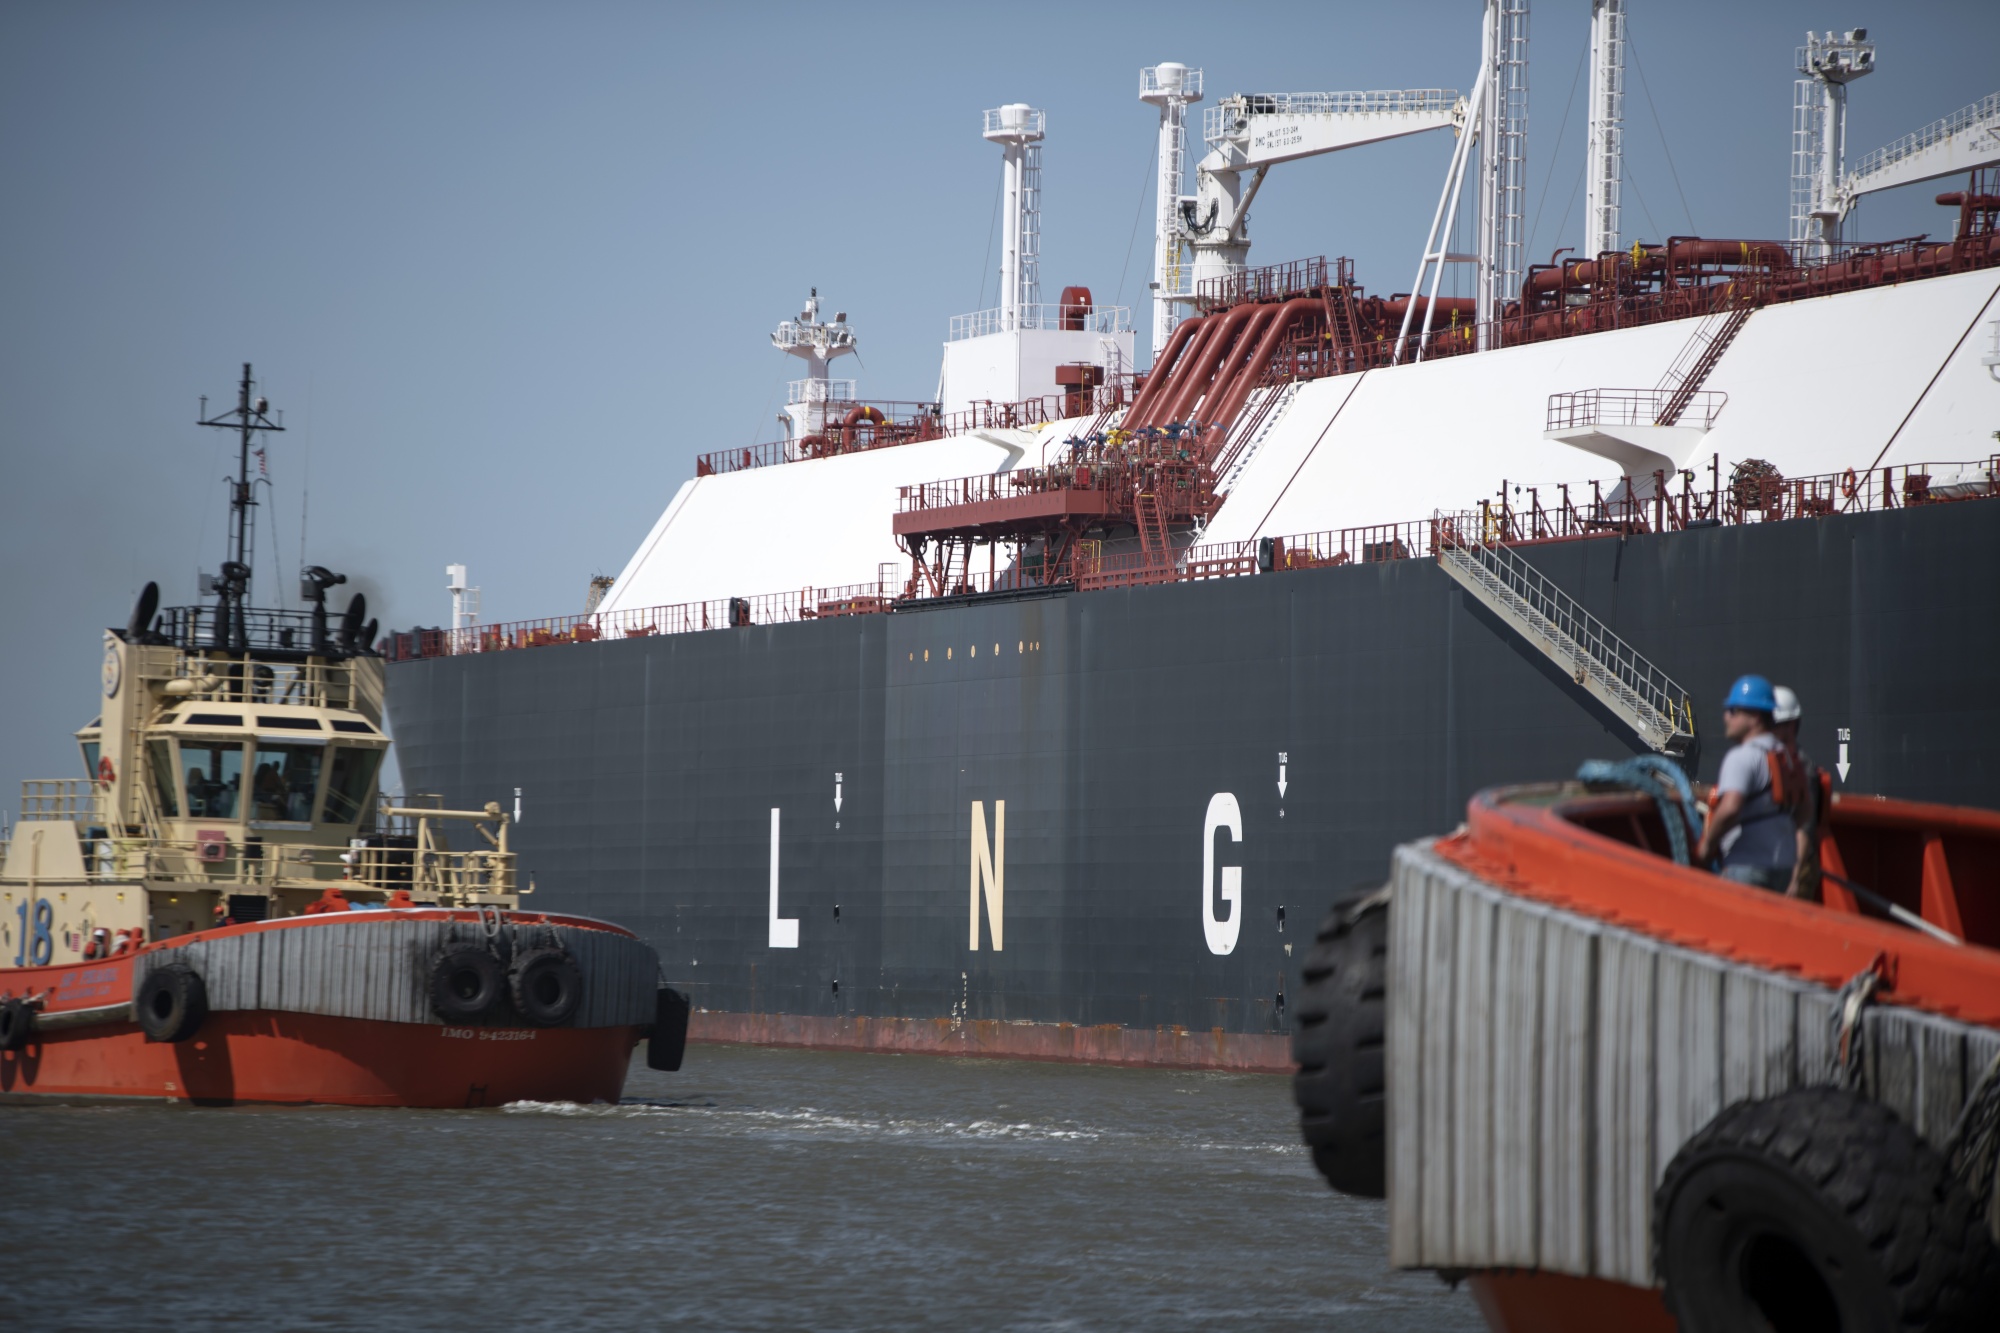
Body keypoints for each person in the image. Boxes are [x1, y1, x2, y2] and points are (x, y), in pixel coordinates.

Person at [1694, 674, 1797, 891]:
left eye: (1733, 710)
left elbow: (1730, 808)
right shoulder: (1785, 755)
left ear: (1755, 716)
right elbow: (1804, 810)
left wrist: (1706, 846)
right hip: (1782, 866)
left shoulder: (1742, 757)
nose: (1726, 717)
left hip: (1748, 865)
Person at [1772, 685, 1830, 901]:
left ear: (1791, 726)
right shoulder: (1769, 762)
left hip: (1792, 864)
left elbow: (1804, 828)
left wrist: (1794, 876)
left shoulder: (1801, 768)